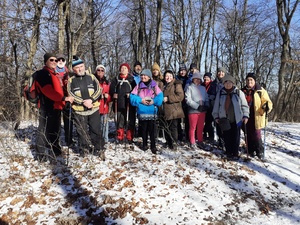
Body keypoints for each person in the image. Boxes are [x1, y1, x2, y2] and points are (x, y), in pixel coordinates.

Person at [34, 52, 74, 162]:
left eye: (56, 60)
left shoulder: (54, 74)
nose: (54, 62)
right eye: (51, 60)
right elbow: (48, 91)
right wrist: (63, 99)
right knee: (43, 130)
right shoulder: (42, 74)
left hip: (56, 106)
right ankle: (40, 155)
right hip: (46, 106)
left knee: (55, 129)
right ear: (46, 61)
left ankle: (55, 150)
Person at [67, 56, 105, 160]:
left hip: (93, 109)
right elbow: (70, 94)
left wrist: (91, 100)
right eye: (77, 67)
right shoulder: (71, 80)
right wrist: (83, 102)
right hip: (79, 110)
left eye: (81, 66)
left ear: (85, 66)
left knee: (95, 130)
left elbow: (99, 90)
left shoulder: (92, 77)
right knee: (81, 131)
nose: (80, 69)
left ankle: (99, 149)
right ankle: (83, 149)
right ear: (74, 69)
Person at [212, 75, 249, 160]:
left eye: (230, 82)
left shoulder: (239, 93)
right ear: (223, 83)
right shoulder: (221, 93)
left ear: (233, 83)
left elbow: (244, 105)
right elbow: (216, 106)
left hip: (237, 118)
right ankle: (228, 152)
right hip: (224, 118)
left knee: (236, 136)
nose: (228, 84)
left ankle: (235, 152)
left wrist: (246, 115)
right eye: (226, 82)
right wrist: (216, 116)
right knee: (226, 136)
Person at [130, 69, 163, 154]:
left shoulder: (154, 86)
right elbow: (132, 96)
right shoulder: (138, 86)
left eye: (145, 75)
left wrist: (154, 101)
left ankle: (153, 146)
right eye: (142, 75)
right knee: (143, 129)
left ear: (149, 77)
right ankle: (144, 144)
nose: (143, 77)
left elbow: (160, 96)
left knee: (152, 130)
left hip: (152, 111)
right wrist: (141, 100)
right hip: (142, 111)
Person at [241, 73, 273, 159]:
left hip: (257, 115)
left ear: (254, 81)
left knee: (256, 134)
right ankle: (250, 149)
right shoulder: (242, 91)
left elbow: (268, 102)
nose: (249, 81)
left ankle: (259, 151)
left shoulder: (260, 91)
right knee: (247, 133)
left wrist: (266, 107)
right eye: (248, 80)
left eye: (251, 80)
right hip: (245, 115)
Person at [109, 63, 136, 144]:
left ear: (128, 70)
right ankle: (120, 137)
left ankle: (129, 137)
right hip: (119, 104)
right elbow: (111, 89)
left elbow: (135, 90)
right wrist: (114, 94)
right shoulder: (116, 79)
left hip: (129, 104)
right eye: (122, 68)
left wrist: (130, 94)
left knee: (130, 121)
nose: (123, 69)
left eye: (125, 68)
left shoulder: (132, 80)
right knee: (119, 121)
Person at [185, 72, 209, 149]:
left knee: (200, 127)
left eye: (199, 79)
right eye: (195, 79)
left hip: (202, 111)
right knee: (193, 127)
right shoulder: (189, 88)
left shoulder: (203, 88)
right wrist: (197, 106)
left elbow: (206, 97)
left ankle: (200, 141)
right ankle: (192, 142)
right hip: (193, 111)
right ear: (193, 79)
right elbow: (188, 100)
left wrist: (206, 105)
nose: (197, 80)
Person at [162, 69, 185, 150]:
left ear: (173, 77)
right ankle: (168, 142)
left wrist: (168, 98)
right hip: (166, 110)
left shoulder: (176, 84)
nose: (168, 78)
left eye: (170, 76)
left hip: (174, 110)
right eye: (166, 76)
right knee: (166, 127)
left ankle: (174, 143)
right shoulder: (164, 85)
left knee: (173, 128)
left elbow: (180, 96)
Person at [55, 54, 74, 147]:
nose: (61, 61)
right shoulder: (53, 72)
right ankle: (55, 141)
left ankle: (69, 140)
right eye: (59, 60)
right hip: (57, 100)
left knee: (68, 121)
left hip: (67, 100)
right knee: (56, 122)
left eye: (62, 59)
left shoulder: (69, 72)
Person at [94, 64, 111, 143]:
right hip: (95, 107)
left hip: (104, 107)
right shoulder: (93, 81)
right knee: (95, 126)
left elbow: (111, 97)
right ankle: (96, 140)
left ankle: (105, 140)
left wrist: (108, 96)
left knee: (104, 125)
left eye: (102, 70)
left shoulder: (107, 83)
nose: (100, 72)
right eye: (98, 70)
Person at [211, 67, 226, 149]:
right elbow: (210, 93)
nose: (221, 73)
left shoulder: (227, 82)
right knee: (217, 125)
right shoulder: (214, 83)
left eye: (222, 72)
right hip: (216, 107)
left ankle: (226, 141)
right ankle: (220, 141)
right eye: (219, 72)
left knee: (225, 125)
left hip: (225, 107)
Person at [175, 63, 190, 144]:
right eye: (181, 71)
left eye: (184, 70)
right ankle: (179, 135)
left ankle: (187, 136)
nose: (182, 72)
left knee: (187, 120)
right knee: (178, 120)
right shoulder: (176, 79)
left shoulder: (189, 79)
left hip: (186, 102)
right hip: (178, 102)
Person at [201, 72, 215, 143]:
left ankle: (211, 136)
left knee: (209, 122)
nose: (206, 79)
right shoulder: (202, 85)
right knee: (204, 121)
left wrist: (207, 97)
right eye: (205, 77)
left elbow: (213, 94)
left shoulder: (213, 85)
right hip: (203, 106)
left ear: (210, 78)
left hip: (211, 106)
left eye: (207, 77)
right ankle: (205, 135)